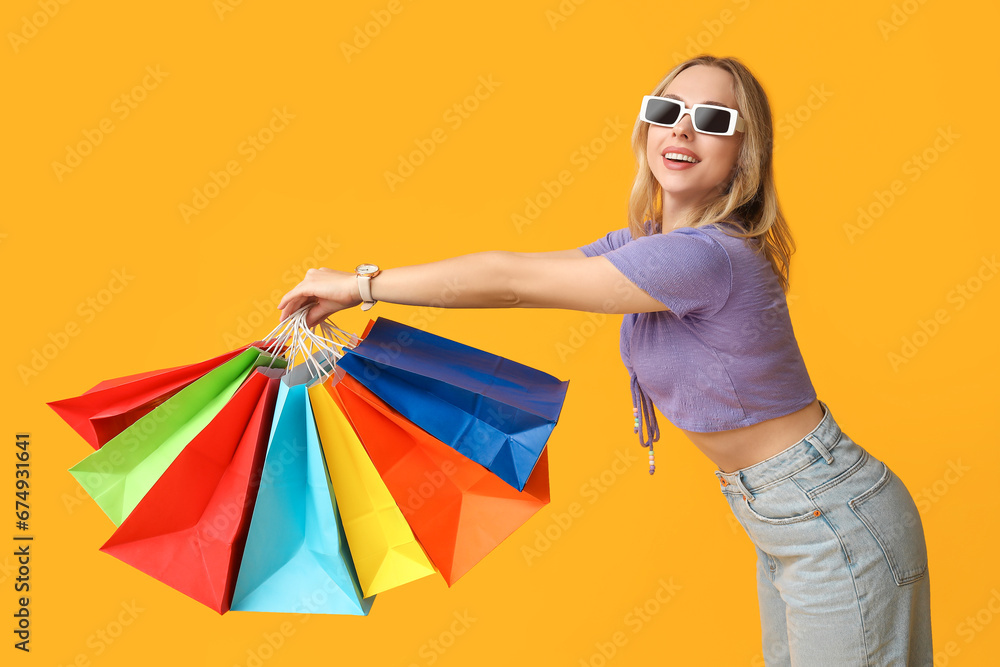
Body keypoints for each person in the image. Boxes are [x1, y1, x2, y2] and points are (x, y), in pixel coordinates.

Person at [276, 54, 933, 665]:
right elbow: (516, 279)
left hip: (828, 515)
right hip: (792, 513)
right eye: (668, 109)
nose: (683, 130)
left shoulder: (704, 256)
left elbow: (511, 281)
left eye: (712, 120)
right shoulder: (646, 245)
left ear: (743, 156)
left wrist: (358, 285)